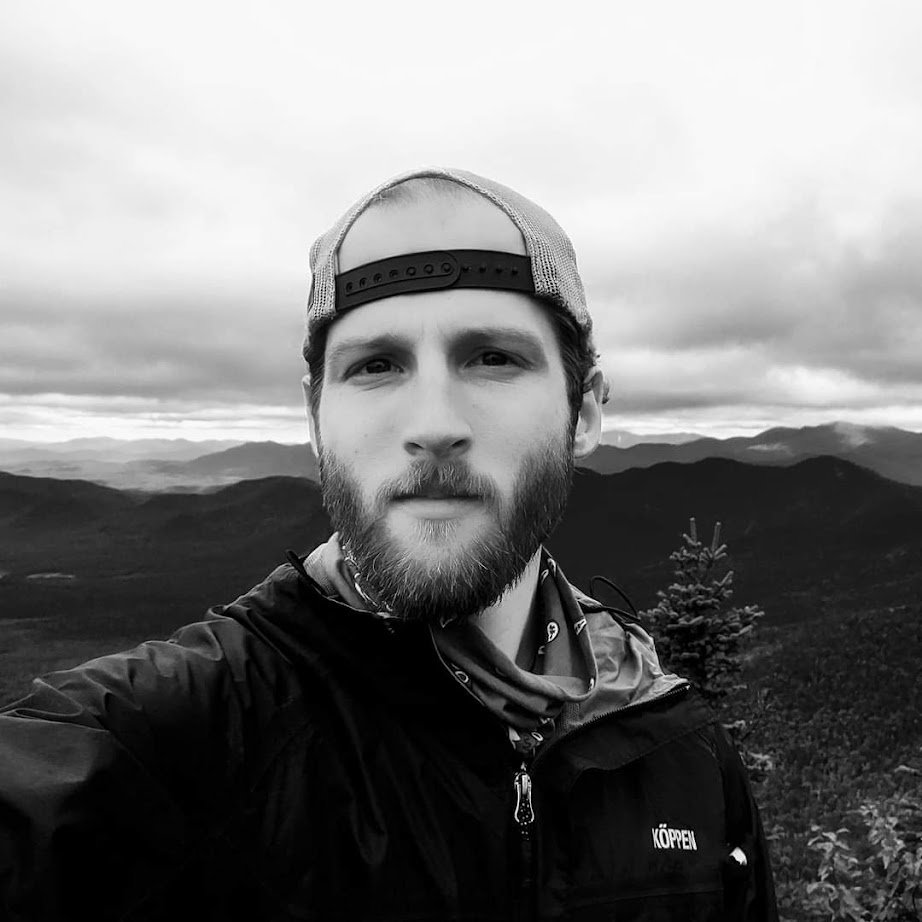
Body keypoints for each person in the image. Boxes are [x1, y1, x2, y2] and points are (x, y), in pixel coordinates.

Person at [0, 167, 777, 921]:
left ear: (584, 412)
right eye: (377, 366)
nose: (432, 422)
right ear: (315, 418)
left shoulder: (682, 757)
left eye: (493, 357)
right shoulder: (177, 738)